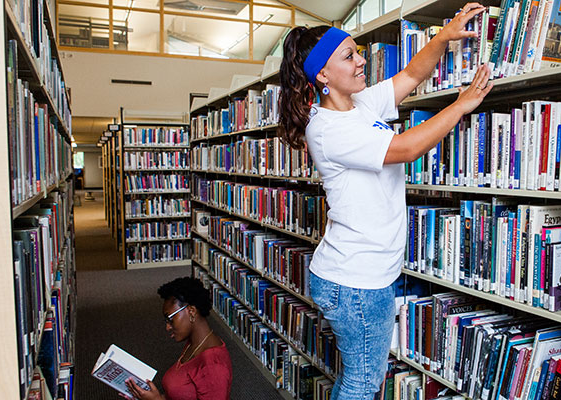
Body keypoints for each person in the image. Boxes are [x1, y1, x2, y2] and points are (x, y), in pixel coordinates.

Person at [277, 3, 493, 398]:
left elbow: (410, 74)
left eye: (358, 52)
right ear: (323, 75)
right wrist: (461, 105)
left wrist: (443, 37)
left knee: (356, 378)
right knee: (363, 383)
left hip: (360, 274)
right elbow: (407, 147)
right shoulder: (328, 129)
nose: (362, 62)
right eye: (350, 56)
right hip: (356, 280)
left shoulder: (359, 105)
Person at [122, 277, 232, 400]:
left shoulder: (213, 366)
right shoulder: (195, 343)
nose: (168, 327)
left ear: (191, 311)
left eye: (170, 319)